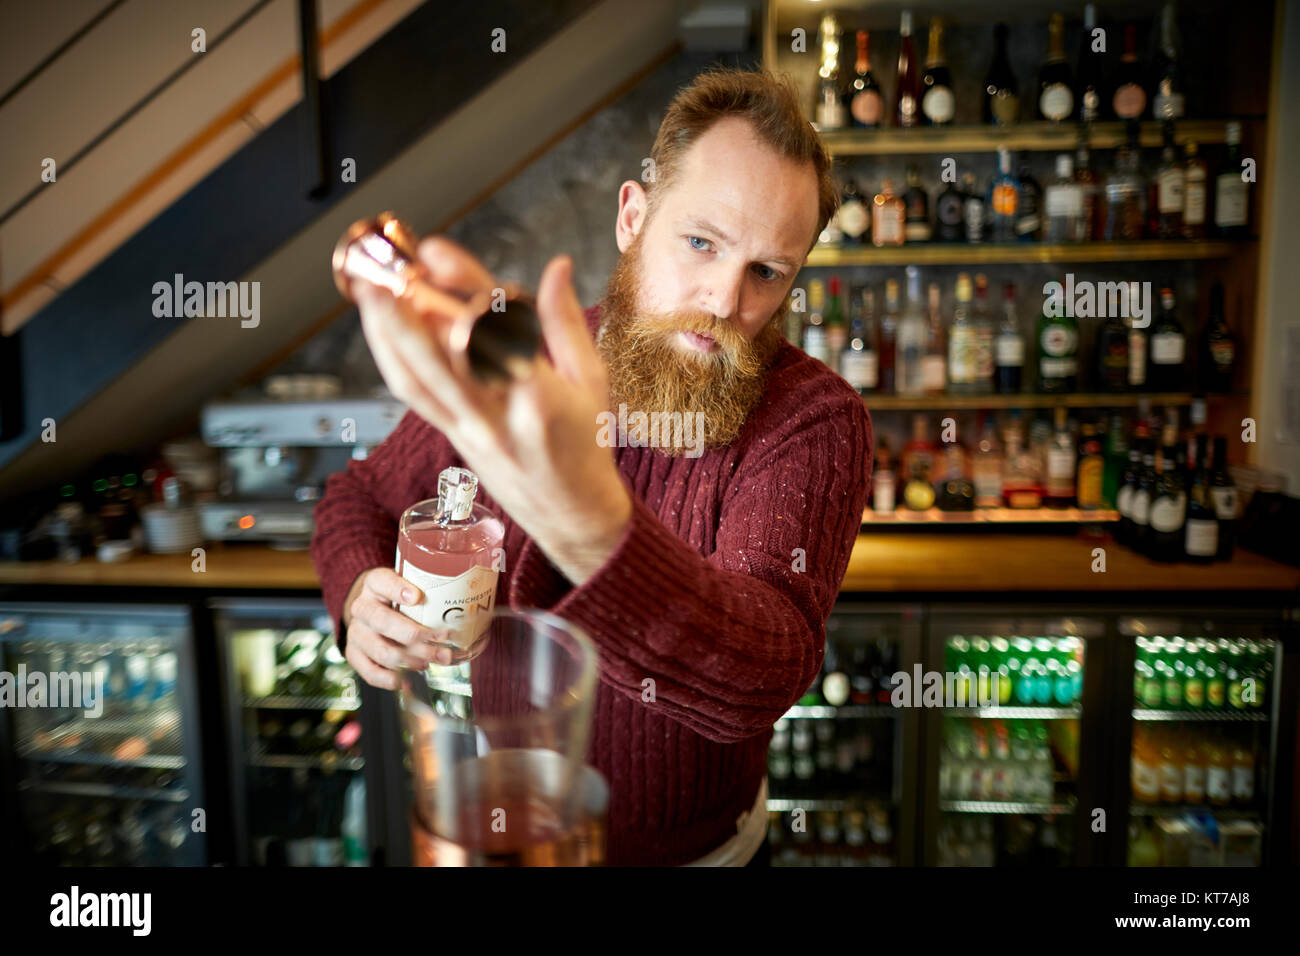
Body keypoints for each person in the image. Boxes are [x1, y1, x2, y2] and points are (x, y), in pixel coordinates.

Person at [310, 67, 872, 866]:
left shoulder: (814, 419)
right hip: (515, 833)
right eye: (701, 242)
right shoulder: (524, 358)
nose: (722, 298)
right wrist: (358, 594)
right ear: (634, 217)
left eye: (767, 271)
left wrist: (584, 518)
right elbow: (356, 496)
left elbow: (760, 674)